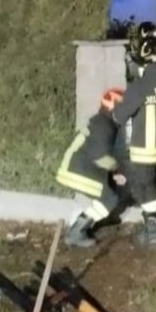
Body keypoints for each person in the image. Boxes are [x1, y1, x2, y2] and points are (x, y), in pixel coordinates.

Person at [111, 36, 156, 246]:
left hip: (143, 150)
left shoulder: (139, 86)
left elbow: (119, 116)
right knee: (152, 185)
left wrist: (117, 105)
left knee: (142, 190)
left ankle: (154, 232)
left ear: (141, 60)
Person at [57, 88, 128, 248]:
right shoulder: (104, 126)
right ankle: (76, 232)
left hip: (76, 168)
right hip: (77, 172)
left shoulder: (100, 121)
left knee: (108, 193)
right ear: (115, 109)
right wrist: (118, 169)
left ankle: (91, 221)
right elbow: (100, 157)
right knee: (110, 199)